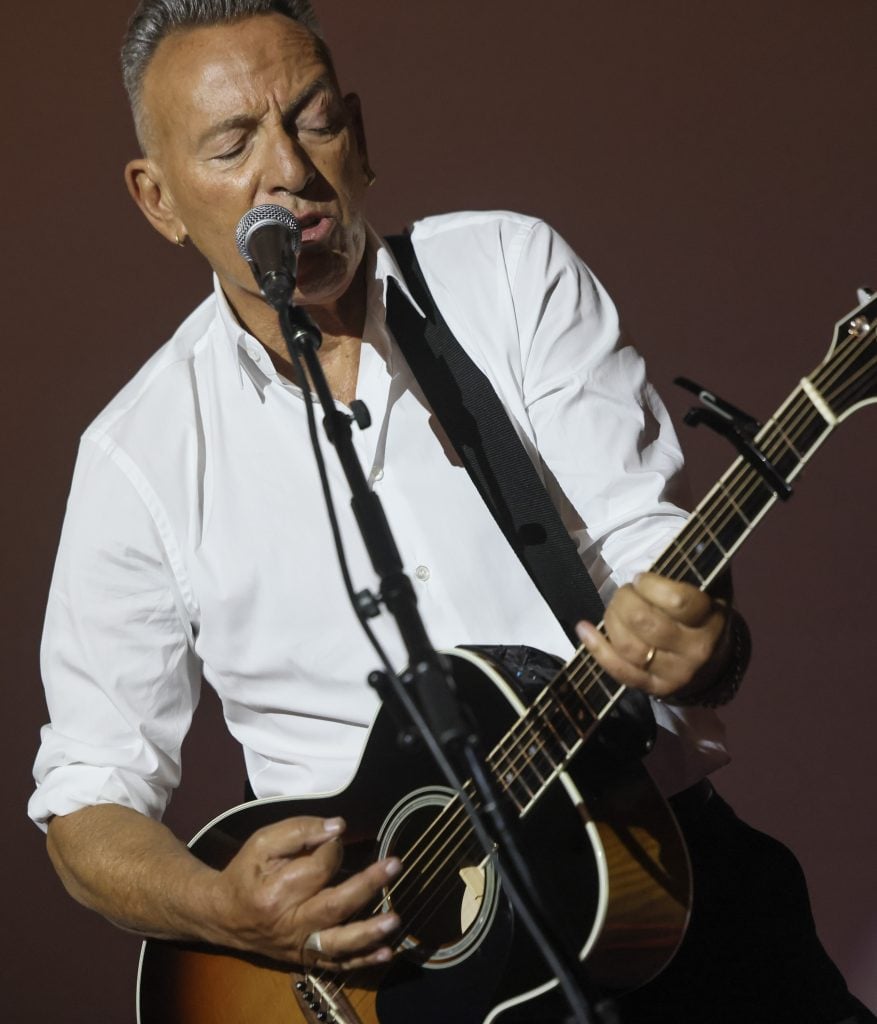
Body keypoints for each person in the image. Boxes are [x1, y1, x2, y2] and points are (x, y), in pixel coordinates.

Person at [29, 2, 872, 1022]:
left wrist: (702, 645)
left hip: (650, 882)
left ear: (362, 137)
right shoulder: (136, 456)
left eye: (313, 121)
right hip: (388, 982)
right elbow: (87, 793)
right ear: (158, 199)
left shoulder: (507, 276)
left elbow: (655, 560)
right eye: (232, 144)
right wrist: (219, 906)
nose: (288, 170)